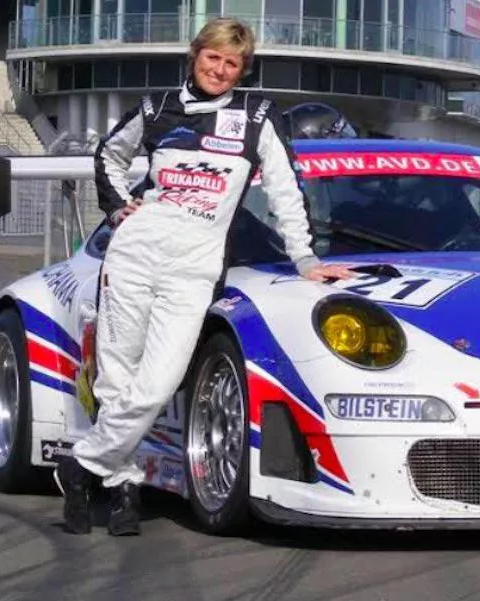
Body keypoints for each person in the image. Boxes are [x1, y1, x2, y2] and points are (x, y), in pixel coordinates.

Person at [53, 17, 354, 536]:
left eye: (232, 62)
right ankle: (122, 488)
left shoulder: (258, 117)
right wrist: (120, 207)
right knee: (116, 379)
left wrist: (305, 260)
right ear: (196, 56)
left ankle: (80, 465)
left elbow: (285, 191)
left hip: (194, 269)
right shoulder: (156, 107)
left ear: (243, 70)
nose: (220, 69)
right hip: (134, 255)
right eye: (213, 57)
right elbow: (109, 154)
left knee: (157, 384)